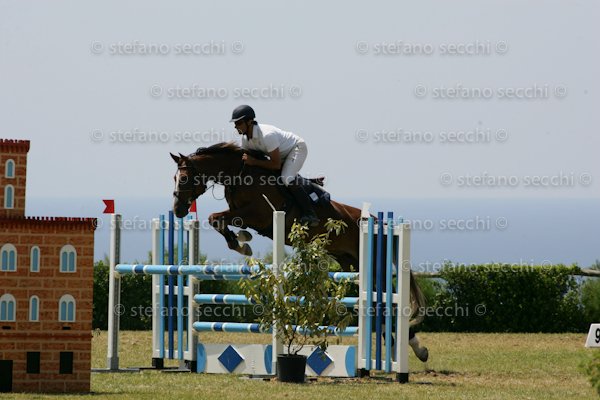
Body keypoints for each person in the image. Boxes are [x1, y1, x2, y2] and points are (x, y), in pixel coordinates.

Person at [230, 105, 319, 227]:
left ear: (249, 121)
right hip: (279, 155)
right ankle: (308, 182)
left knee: (286, 178)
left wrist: (254, 162)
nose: (236, 126)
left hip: (296, 148)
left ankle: (310, 214)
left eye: (239, 123)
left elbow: (275, 165)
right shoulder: (246, 141)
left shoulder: (267, 135)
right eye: (235, 124)